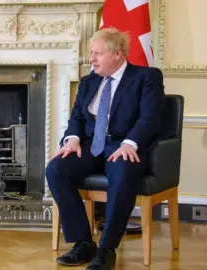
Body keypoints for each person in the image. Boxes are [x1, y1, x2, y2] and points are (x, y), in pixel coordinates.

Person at [45, 27, 165, 270]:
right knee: (56, 169)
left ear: (117, 54)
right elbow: (77, 116)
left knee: (122, 172)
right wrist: (72, 138)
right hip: (90, 146)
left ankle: (107, 249)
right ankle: (83, 242)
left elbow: (150, 118)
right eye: (92, 53)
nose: (92, 59)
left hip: (123, 146)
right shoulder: (89, 81)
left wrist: (130, 143)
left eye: (98, 54)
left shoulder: (146, 77)